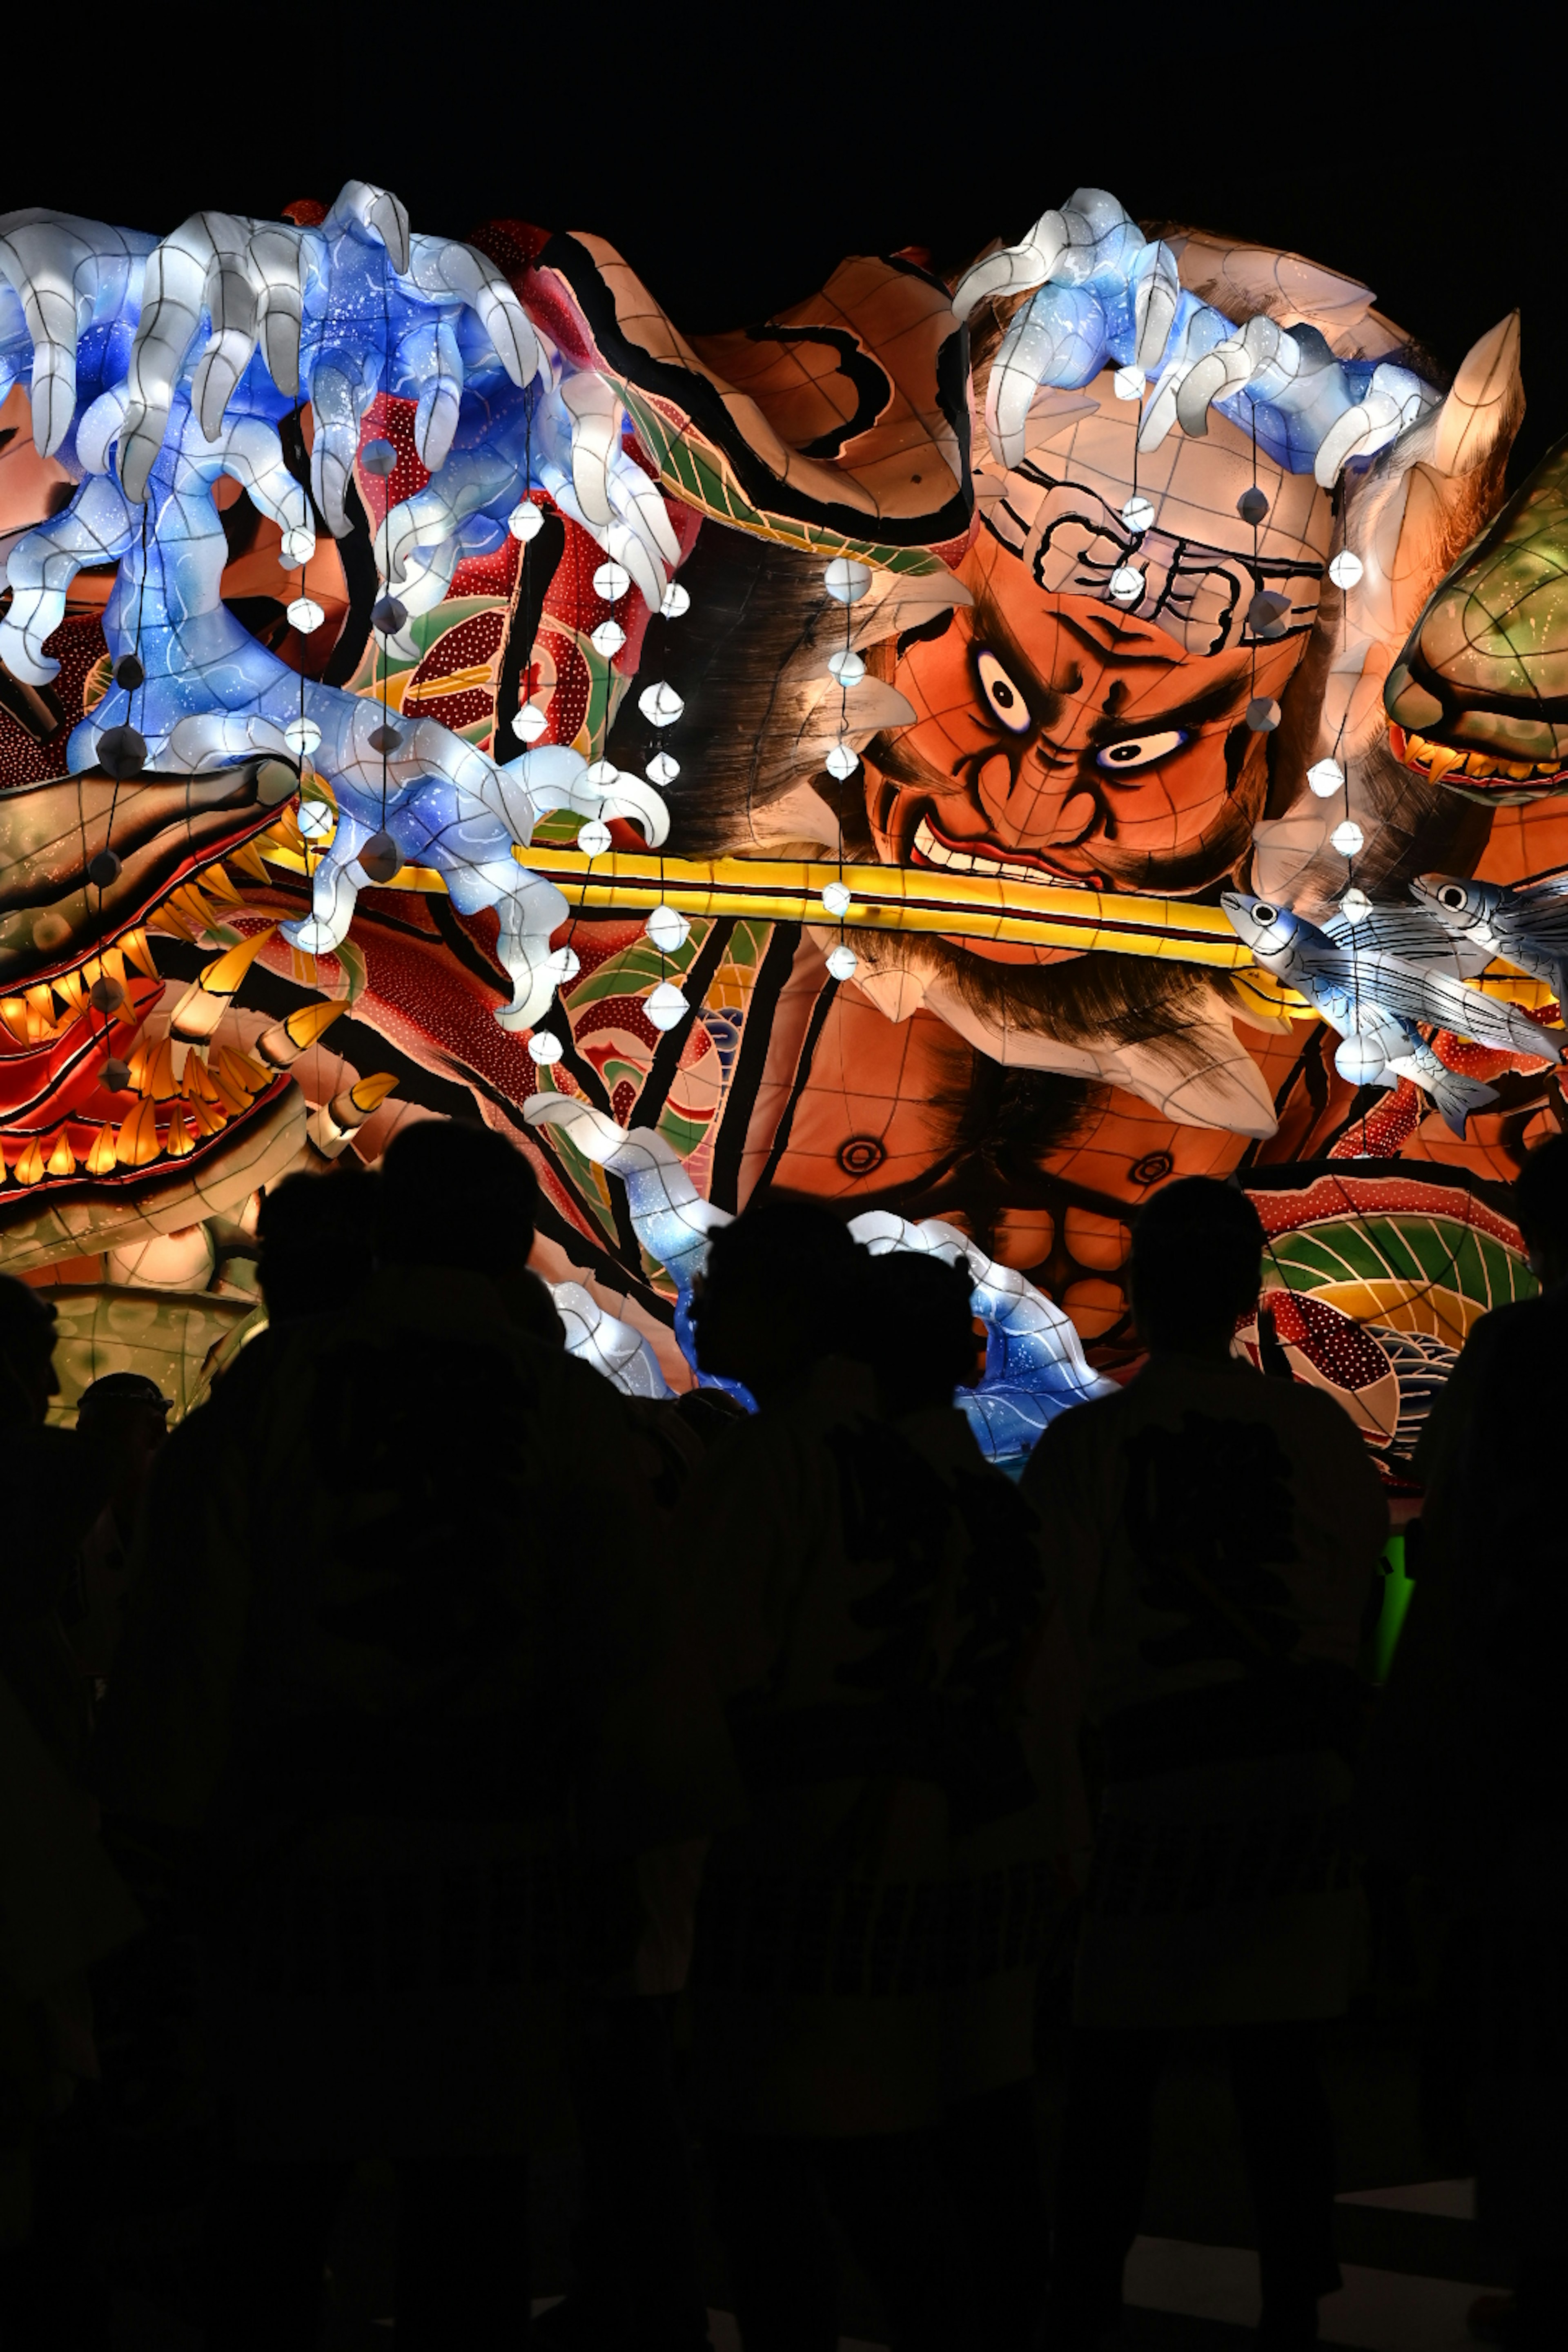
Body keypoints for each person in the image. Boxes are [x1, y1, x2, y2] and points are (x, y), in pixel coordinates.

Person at [96, 1120, 741, 2351]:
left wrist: (160, 1833)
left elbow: (184, 1648)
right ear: (510, 1245)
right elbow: (632, 1648)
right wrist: (637, 1847)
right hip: (504, 1867)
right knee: (469, 2200)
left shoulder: (275, 1391)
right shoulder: (562, 1404)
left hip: (295, 1862)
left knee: (279, 2195)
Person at [1022, 1177, 1387, 2352]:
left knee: (1115, 2070)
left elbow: (1054, 1648)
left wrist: (1062, 1822)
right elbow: (1353, 1600)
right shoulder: (1320, 1433)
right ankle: (1295, 2297)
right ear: (1250, 1294)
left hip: (1149, 1784)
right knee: (1281, 2066)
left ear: (1134, 1289)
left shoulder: (1089, 1445)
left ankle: (1083, 2294)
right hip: (1295, 1779)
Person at [682, 1201, 1017, 2352]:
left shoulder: (775, 1457)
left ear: (785, 1309)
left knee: (777, 2174)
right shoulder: (907, 1460)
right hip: (902, 1850)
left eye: (721, 1286)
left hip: (782, 1850)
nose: (695, 1306)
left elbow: (703, 1674)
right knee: (879, 2158)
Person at [1361, 1134, 1568, 2350]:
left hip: (1535, 1732)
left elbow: (1453, 1541)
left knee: (1535, 2018)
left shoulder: (1516, 1353)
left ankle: (1548, 2275)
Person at [861, 1247, 1085, 2349]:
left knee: (883, 2121)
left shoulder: (846, 1479)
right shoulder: (1005, 1494)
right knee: (991, 2105)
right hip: (1008, 1832)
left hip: (879, 1853)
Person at [68, 1374, 171, 1686]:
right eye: (82, 1436)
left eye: (107, 1433)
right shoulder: (71, 1533)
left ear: (155, 1434)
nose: (88, 1450)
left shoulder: (202, 1526)